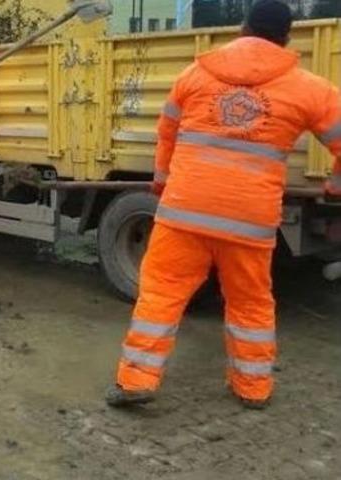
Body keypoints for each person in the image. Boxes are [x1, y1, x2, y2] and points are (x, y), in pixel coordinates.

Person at [106, 0, 341, 410]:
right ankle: (253, 388)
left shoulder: (194, 74)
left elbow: (167, 133)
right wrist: (335, 186)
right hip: (249, 222)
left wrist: (162, 181)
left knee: (161, 294)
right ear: (286, 38)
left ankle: (136, 380)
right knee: (250, 303)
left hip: (184, 212)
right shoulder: (309, 88)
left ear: (243, 28)